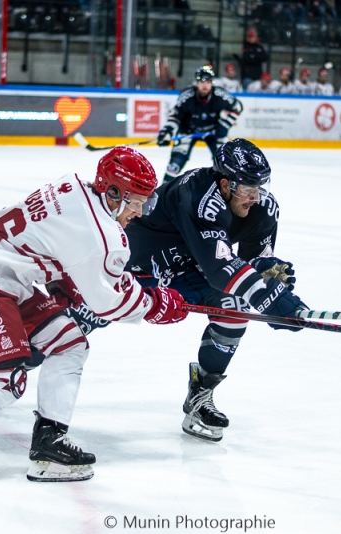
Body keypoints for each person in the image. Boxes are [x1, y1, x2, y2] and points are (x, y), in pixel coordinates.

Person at [0, 148, 187, 493]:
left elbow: (49, 240)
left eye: (145, 203)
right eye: (135, 202)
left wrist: (66, 279)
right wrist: (155, 305)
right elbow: (108, 301)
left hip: (2, 272)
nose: (139, 212)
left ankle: (49, 444)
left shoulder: (74, 185)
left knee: (70, 345)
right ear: (112, 192)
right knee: (6, 380)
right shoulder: (101, 235)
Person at [122, 138, 308, 442]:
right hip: (139, 264)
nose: (255, 196)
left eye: (259, 187)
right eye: (247, 189)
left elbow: (253, 259)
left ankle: (201, 395)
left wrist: (271, 275)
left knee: (235, 308)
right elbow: (221, 270)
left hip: (190, 267)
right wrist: (272, 299)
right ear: (225, 184)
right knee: (86, 313)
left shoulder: (263, 208)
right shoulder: (197, 196)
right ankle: (23, 350)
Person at [157, 66, 243, 183]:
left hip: (213, 131)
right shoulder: (187, 96)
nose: (205, 85)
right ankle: (163, 190)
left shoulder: (220, 94)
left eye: (208, 82)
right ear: (196, 82)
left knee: (225, 162)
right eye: (202, 82)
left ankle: (228, 189)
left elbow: (238, 107)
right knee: (176, 162)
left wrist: (224, 125)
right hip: (188, 131)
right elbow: (175, 116)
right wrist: (166, 131)